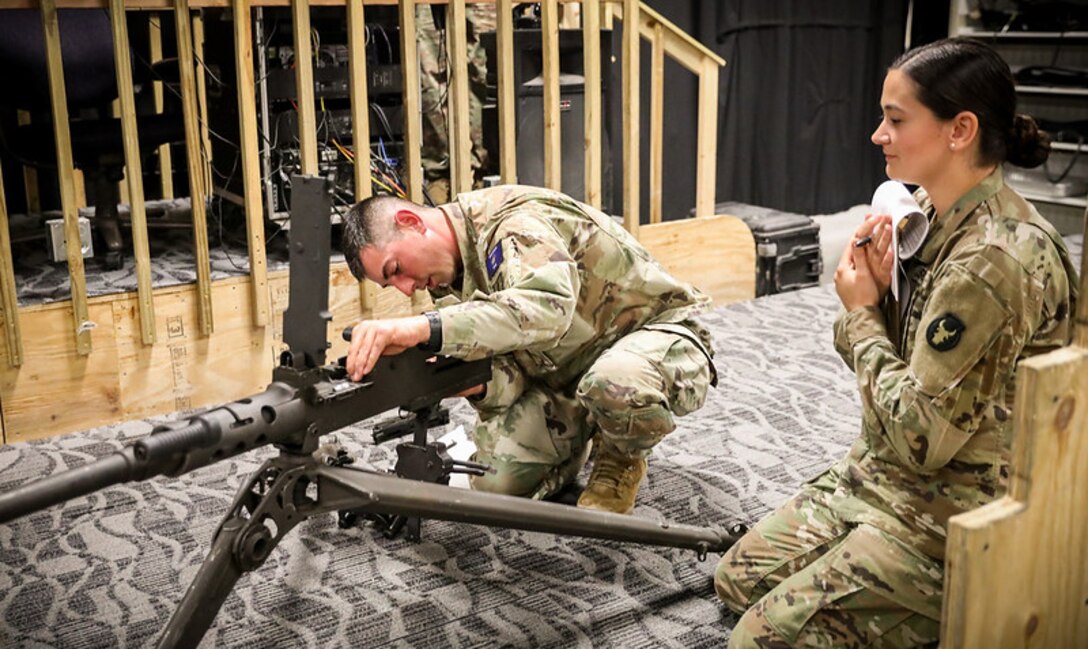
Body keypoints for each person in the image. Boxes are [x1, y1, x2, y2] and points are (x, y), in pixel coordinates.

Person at [714, 37, 1078, 647]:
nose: (877, 134)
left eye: (896, 119)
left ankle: (952, 606)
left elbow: (920, 437)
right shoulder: (933, 215)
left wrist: (861, 315)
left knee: (755, 640)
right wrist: (875, 300)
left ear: (959, 130)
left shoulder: (992, 260)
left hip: (949, 518)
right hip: (886, 477)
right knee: (736, 579)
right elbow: (902, 371)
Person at [340, 185, 718, 514]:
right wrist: (476, 385)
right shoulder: (448, 278)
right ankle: (581, 433)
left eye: (396, 269)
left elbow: (545, 311)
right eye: (393, 285)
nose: (407, 289)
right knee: (495, 484)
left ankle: (620, 454)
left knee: (612, 381)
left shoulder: (512, 222)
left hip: (650, 335)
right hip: (562, 373)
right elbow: (514, 365)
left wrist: (423, 326)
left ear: (410, 221)